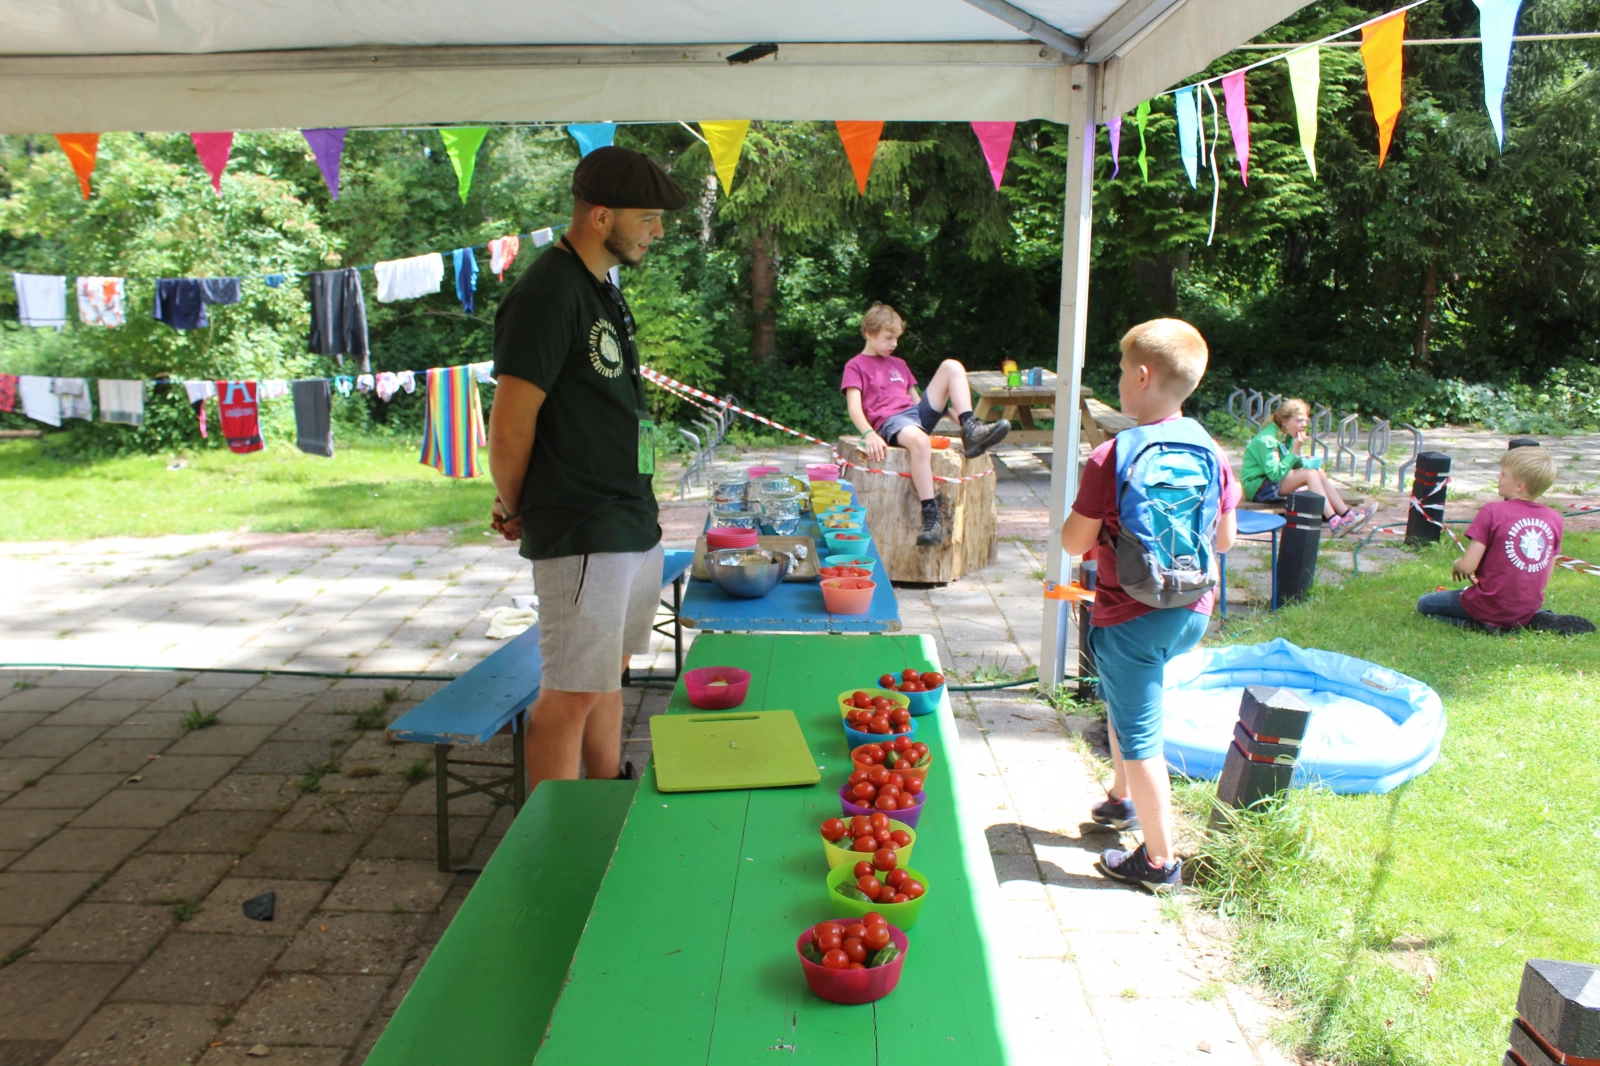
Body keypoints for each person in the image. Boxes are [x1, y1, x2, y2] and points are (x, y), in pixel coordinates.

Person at [487, 146, 688, 788]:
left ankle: (606, 795)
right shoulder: (546, 293)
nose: (658, 231)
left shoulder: (599, 288)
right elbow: (510, 425)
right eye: (647, 218)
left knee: (607, 674)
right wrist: (517, 504)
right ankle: (551, 835)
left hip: (629, 519)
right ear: (601, 217)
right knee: (569, 694)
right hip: (583, 524)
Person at [1060, 319, 1240, 893]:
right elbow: (1225, 540)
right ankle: (1121, 799)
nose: (1118, 380)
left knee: (1142, 741)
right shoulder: (1210, 449)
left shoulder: (1111, 455)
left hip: (1129, 616)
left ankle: (1160, 862)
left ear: (1141, 376)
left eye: (1120, 371)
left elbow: (1074, 543)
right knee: (1125, 698)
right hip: (1191, 610)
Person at [840, 303, 1010, 546]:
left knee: (952, 365)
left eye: (897, 338)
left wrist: (950, 414)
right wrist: (869, 433)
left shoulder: (899, 364)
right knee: (921, 442)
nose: (894, 343)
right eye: (888, 338)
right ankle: (930, 515)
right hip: (890, 422)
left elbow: (917, 403)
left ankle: (970, 427)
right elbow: (854, 407)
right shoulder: (855, 366)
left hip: (912, 417)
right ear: (868, 333)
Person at [1416, 446, 1592, 634]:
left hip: (1488, 603)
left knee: (1425, 604)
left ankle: (1478, 624)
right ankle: (1530, 618)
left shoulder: (1491, 511)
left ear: (1520, 486)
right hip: (1527, 605)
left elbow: (1467, 567)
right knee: (1509, 607)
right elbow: (1545, 574)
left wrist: (1457, 563)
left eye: (1504, 474)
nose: (1498, 477)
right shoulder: (1554, 518)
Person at [1241, 398, 1374, 536]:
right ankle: (1334, 522)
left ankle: (1347, 515)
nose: (1304, 425)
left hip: (1271, 483)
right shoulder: (1267, 440)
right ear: (1284, 421)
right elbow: (1275, 475)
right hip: (1259, 489)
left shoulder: (1286, 435)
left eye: (1306, 421)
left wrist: (1303, 461)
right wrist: (1295, 451)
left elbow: (1286, 462)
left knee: (1316, 471)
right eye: (1299, 420)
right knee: (1309, 474)